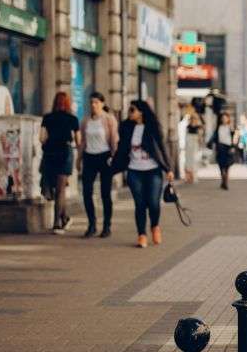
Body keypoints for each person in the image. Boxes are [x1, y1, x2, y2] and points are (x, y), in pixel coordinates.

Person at [111, 100, 173, 248]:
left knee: (153, 203)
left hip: (153, 170)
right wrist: (113, 165)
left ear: (141, 112)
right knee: (139, 204)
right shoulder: (126, 127)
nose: (130, 112)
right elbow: (121, 149)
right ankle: (142, 235)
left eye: (133, 110)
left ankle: (155, 226)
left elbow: (162, 148)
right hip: (134, 171)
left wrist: (169, 168)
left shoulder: (152, 127)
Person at [40, 91, 81, 234]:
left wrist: (49, 142)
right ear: (67, 103)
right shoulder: (72, 119)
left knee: (56, 189)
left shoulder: (47, 118)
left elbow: (41, 138)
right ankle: (57, 223)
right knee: (61, 189)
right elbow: (78, 140)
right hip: (65, 152)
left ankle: (64, 218)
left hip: (50, 153)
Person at [78, 92, 117, 238]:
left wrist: (114, 157)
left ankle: (107, 226)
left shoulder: (108, 119)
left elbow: (113, 139)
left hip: (105, 156)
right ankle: (92, 224)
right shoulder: (85, 121)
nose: (93, 105)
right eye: (91, 102)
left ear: (102, 103)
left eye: (96, 102)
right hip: (89, 157)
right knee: (87, 192)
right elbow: (82, 141)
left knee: (105, 193)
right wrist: (78, 159)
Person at [209, 110, 237, 190]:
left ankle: (225, 182)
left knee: (227, 165)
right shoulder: (218, 128)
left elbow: (235, 138)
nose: (224, 120)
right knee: (221, 166)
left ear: (228, 119)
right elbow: (214, 138)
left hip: (228, 147)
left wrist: (233, 147)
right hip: (220, 148)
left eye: (225, 118)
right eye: (223, 118)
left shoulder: (231, 127)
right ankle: (223, 180)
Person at [180, 101, 203, 184]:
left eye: (194, 118)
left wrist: (200, 144)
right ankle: (188, 177)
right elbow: (184, 135)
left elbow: (200, 137)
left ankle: (193, 177)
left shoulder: (198, 127)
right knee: (187, 162)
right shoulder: (188, 126)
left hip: (194, 145)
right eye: (192, 118)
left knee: (194, 161)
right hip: (188, 145)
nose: (193, 120)